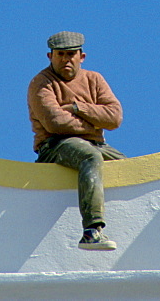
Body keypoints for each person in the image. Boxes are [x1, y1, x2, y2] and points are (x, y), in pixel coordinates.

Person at [27, 31, 125, 250]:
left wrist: (77, 107)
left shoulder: (94, 79)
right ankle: (91, 230)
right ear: (50, 56)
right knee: (90, 156)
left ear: (82, 57)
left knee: (128, 166)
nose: (65, 59)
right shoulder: (41, 83)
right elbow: (55, 123)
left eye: (71, 54)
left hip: (96, 143)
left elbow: (115, 117)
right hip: (55, 145)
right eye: (60, 54)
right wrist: (95, 123)